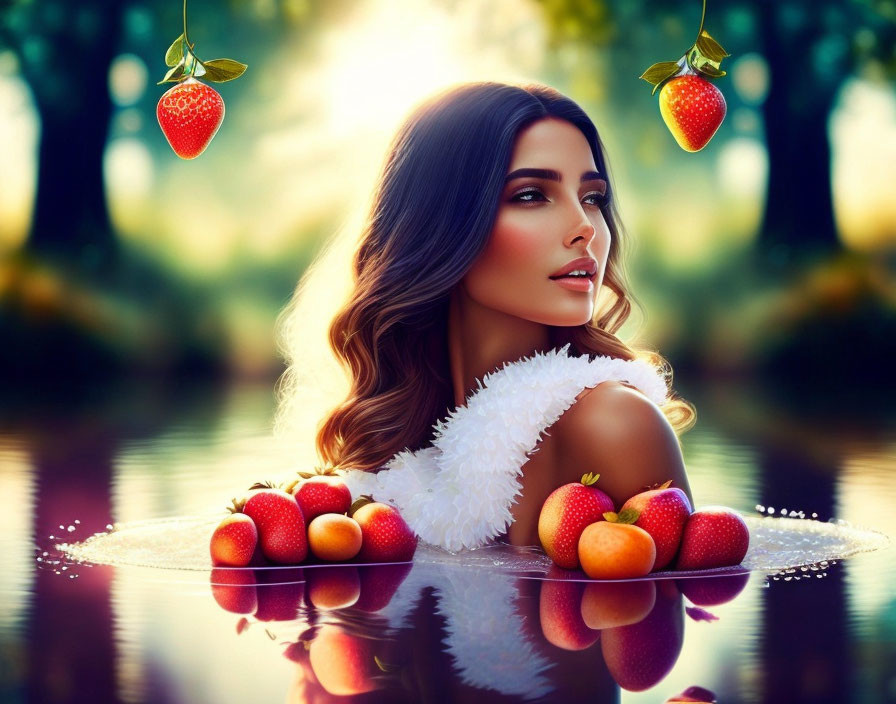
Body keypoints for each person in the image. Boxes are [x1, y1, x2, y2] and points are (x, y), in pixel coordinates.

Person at [276, 81, 696, 551]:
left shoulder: (617, 423)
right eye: (533, 195)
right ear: (440, 223)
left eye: (593, 198)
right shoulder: (402, 446)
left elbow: (655, 615)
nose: (585, 228)